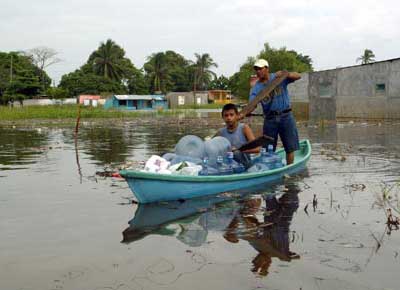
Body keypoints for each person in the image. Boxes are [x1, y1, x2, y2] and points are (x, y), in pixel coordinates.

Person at [247, 59, 301, 165]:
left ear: (267, 69)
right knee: (268, 149)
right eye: (256, 69)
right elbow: (251, 105)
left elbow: (298, 76)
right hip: (270, 119)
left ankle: (289, 168)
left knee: (290, 147)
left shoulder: (278, 78)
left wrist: (286, 74)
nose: (258, 71)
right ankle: (271, 168)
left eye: (260, 68)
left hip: (286, 116)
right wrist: (246, 112)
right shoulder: (256, 88)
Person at [217, 103, 260, 168]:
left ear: (237, 116)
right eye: (226, 115)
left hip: (245, 164)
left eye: (231, 115)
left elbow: (257, 149)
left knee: (236, 153)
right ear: (223, 117)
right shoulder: (221, 132)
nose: (229, 118)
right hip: (229, 165)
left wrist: (239, 150)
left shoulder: (244, 128)